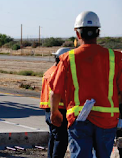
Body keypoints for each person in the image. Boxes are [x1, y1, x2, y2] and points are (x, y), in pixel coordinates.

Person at [49, 11, 122, 158]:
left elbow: (55, 91)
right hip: (107, 119)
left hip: (79, 120)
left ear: (78, 34)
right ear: (98, 32)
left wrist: (54, 112)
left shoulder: (67, 58)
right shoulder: (115, 57)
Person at [40, 48, 70, 158]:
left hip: (49, 109)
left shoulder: (49, 71)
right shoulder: (61, 73)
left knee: (54, 137)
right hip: (59, 110)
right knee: (61, 139)